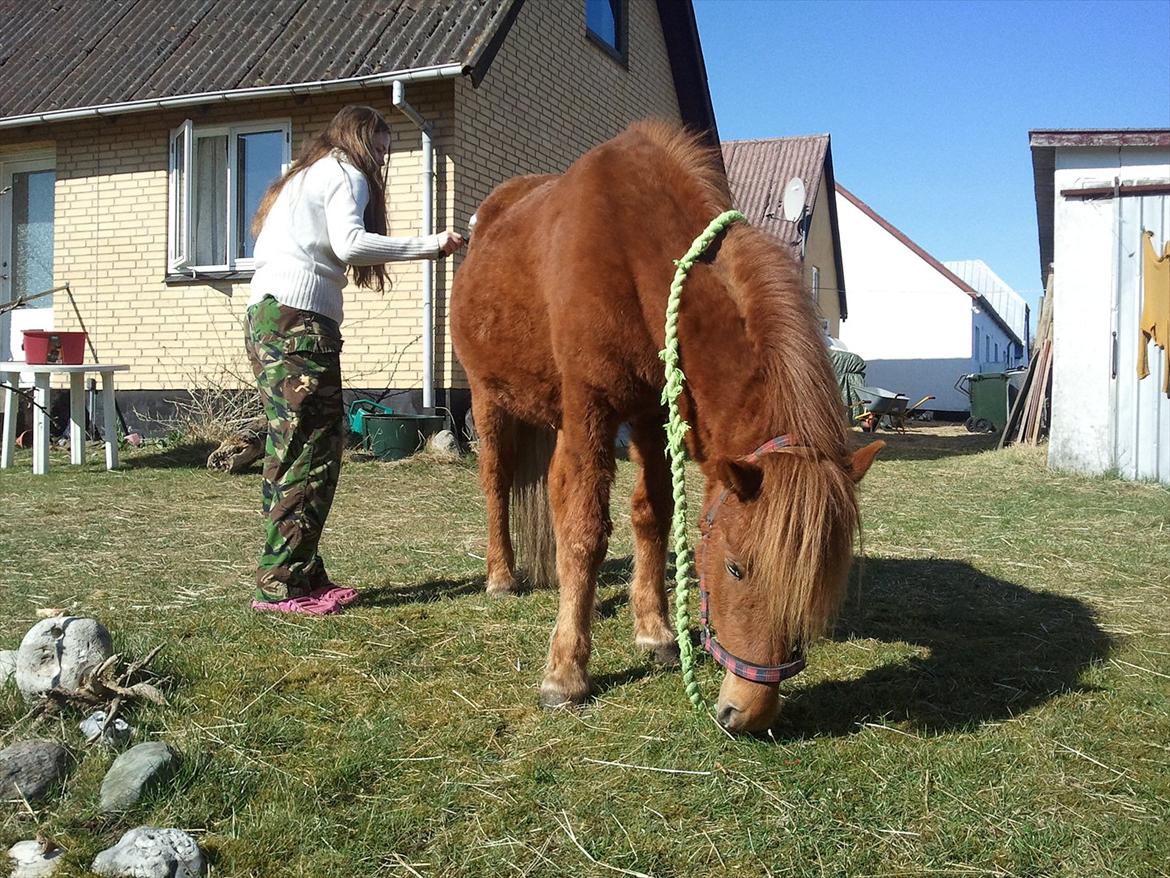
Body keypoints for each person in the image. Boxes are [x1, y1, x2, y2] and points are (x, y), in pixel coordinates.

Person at [244, 105, 464, 615]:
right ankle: (282, 585)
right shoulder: (345, 172)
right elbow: (350, 244)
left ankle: (300, 570)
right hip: (300, 325)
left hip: (267, 317)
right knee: (312, 453)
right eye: (381, 150)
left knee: (290, 449)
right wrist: (432, 245)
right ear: (362, 142)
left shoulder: (301, 177)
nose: (382, 161)